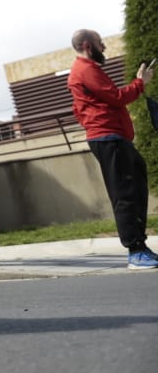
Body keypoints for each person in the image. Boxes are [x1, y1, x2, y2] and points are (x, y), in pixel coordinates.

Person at [66, 30, 156, 269]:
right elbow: (116, 97)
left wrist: (138, 82)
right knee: (125, 193)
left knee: (134, 186)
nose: (104, 47)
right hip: (108, 137)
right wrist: (140, 83)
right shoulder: (85, 70)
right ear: (88, 45)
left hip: (111, 137)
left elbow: (81, 109)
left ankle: (140, 246)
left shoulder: (86, 71)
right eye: (100, 43)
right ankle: (135, 251)